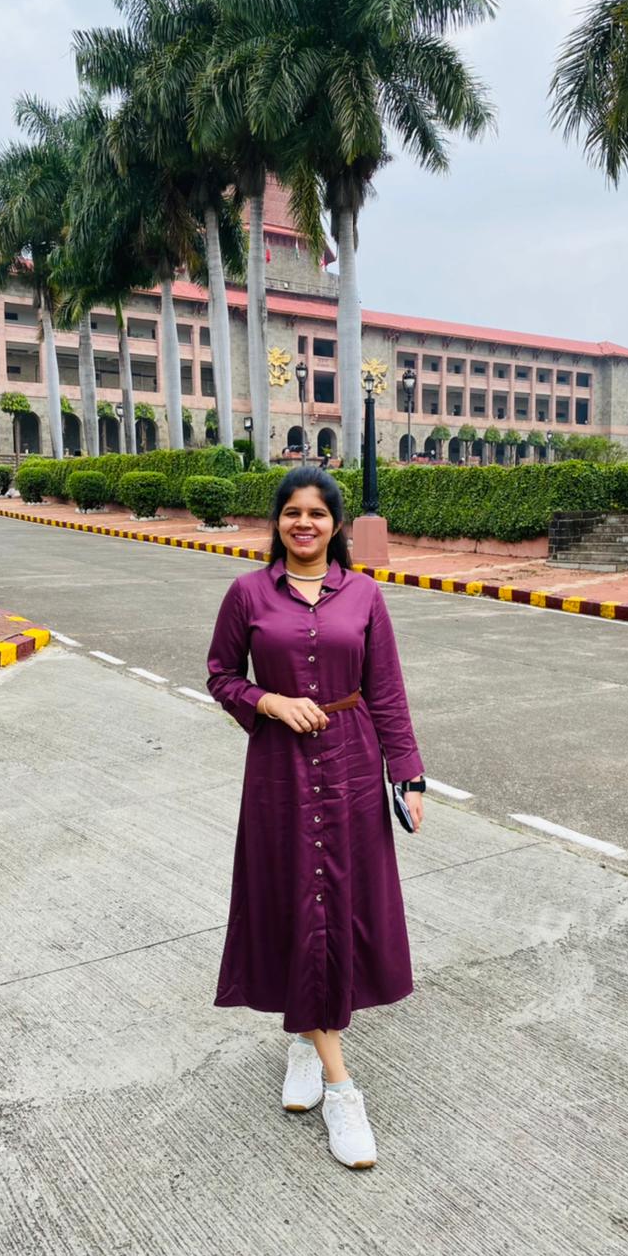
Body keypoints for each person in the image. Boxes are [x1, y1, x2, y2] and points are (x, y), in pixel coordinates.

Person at [206, 467, 425, 1171]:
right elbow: (221, 675)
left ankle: (305, 1041)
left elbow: (386, 690)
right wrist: (268, 702)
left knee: (338, 906)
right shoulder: (248, 593)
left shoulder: (363, 595)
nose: (305, 524)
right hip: (279, 772)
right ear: (277, 522)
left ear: (336, 525)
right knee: (294, 901)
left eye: (318, 513)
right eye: (292, 513)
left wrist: (407, 774)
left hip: (352, 766)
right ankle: (341, 1086)